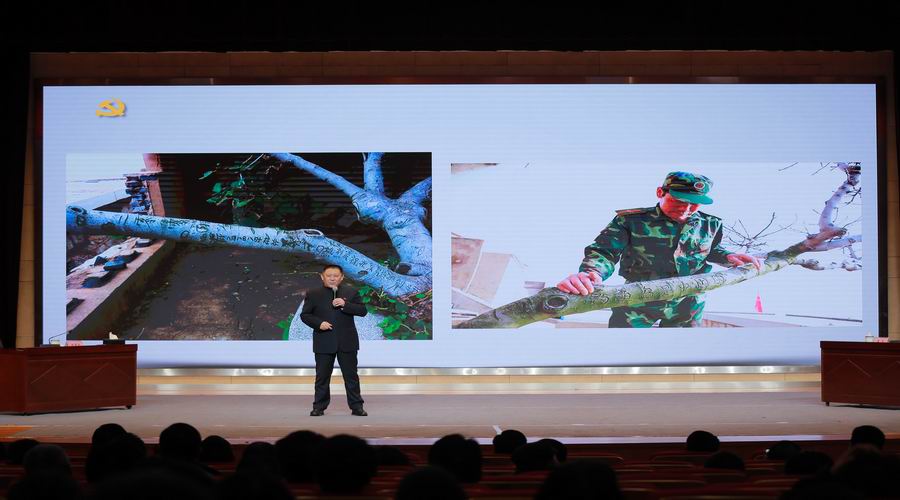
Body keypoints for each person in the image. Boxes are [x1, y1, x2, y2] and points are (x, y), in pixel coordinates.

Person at [557, 171, 761, 327]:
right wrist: (592, 273)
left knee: (681, 356)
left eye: (695, 204)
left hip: (688, 302)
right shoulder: (630, 220)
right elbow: (604, 251)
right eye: (679, 200)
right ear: (660, 192)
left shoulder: (711, 224)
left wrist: (730, 257)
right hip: (637, 299)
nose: (687, 208)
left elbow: (711, 250)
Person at [301, 264, 369, 416]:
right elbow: (305, 315)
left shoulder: (351, 292)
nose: (332, 278)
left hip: (347, 341)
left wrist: (346, 304)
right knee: (322, 377)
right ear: (322, 277)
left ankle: (357, 407)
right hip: (324, 340)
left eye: (336, 276)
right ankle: (319, 407)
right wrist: (319, 324)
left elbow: (363, 311)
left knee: (351, 376)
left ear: (342, 277)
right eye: (329, 275)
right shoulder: (314, 293)